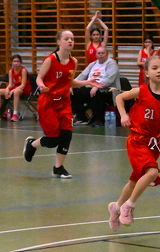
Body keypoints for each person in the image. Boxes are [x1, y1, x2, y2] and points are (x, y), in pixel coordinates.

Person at [108, 54, 160, 230]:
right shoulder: (141, 91)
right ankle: (129, 206)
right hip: (138, 140)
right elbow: (119, 98)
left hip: (155, 143)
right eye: (154, 68)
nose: (159, 71)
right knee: (152, 172)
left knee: (135, 180)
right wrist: (123, 115)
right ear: (147, 73)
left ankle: (116, 207)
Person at [23, 30, 102, 178]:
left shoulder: (73, 61)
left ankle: (58, 168)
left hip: (64, 103)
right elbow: (39, 78)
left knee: (67, 135)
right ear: (59, 42)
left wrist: (87, 82)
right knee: (53, 140)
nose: (70, 41)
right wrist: (41, 85)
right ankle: (32, 144)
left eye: (72, 38)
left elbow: (69, 82)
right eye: (67, 38)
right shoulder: (50, 60)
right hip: (48, 103)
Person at [71, 45, 121, 126]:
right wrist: (72, 85)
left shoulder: (112, 64)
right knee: (73, 92)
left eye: (103, 53)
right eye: (99, 53)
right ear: (96, 54)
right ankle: (81, 116)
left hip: (107, 90)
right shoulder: (93, 64)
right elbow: (82, 75)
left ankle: (98, 119)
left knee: (96, 93)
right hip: (90, 87)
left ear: (107, 54)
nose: (101, 55)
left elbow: (109, 79)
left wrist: (96, 86)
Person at [0, 54, 31, 122]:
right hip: (15, 87)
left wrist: (13, 91)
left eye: (18, 61)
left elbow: (23, 85)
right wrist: (7, 89)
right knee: (1, 91)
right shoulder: (11, 71)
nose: (16, 63)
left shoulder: (23, 70)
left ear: (20, 62)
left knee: (16, 92)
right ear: (12, 62)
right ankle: (2, 111)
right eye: (14, 61)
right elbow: (11, 84)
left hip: (23, 88)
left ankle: (15, 114)